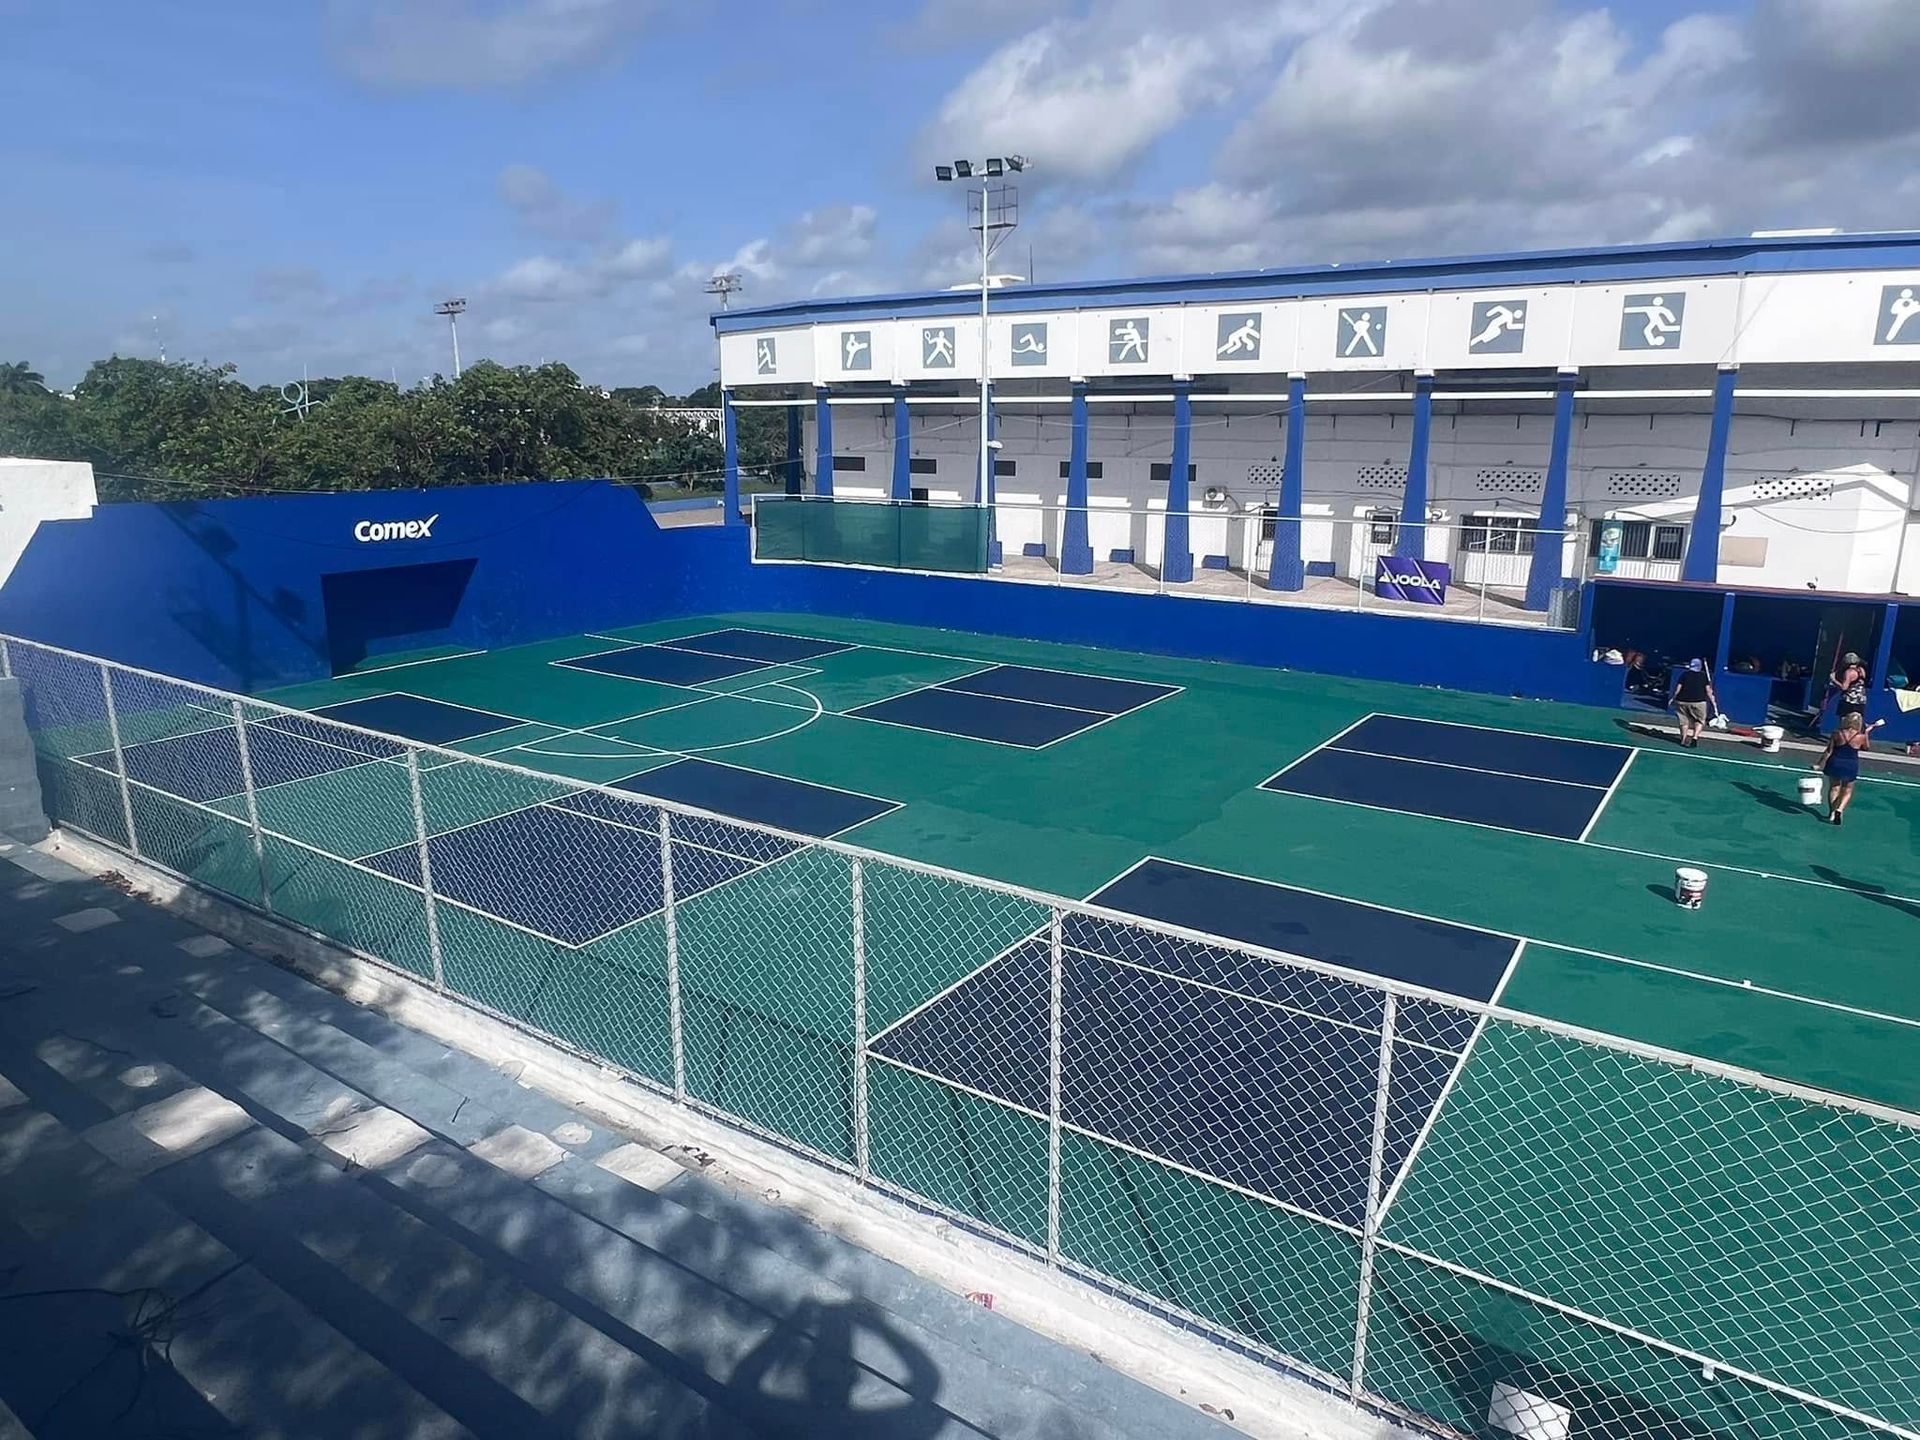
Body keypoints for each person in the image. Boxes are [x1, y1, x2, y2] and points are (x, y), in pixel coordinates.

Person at [1815, 713, 1882, 826]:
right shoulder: (1860, 736)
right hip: (1850, 763)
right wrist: (1866, 733)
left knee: (1834, 787)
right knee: (1847, 790)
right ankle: (1839, 810)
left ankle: (1831, 812)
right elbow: (1866, 748)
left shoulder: (1837, 733)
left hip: (1835, 762)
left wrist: (1819, 763)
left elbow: (1828, 751)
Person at [1669, 659, 1717, 747]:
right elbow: (1708, 691)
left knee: (1684, 721)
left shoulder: (1684, 675)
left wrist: (1673, 698)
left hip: (1682, 701)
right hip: (1698, 702)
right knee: (1700, 720)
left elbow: (1678, 689)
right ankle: (1695, 737)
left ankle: (1683, 739)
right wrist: (1713, 701)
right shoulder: (1703, 676)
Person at [1825, 651, 1870, 728]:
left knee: (1844, 721)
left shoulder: (1848, 672)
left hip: (1849, 700)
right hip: (1860, 700)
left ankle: (1844, 736)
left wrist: (1834, 680)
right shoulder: (1861, 670)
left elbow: (1844, 687)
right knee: (1857, 722)